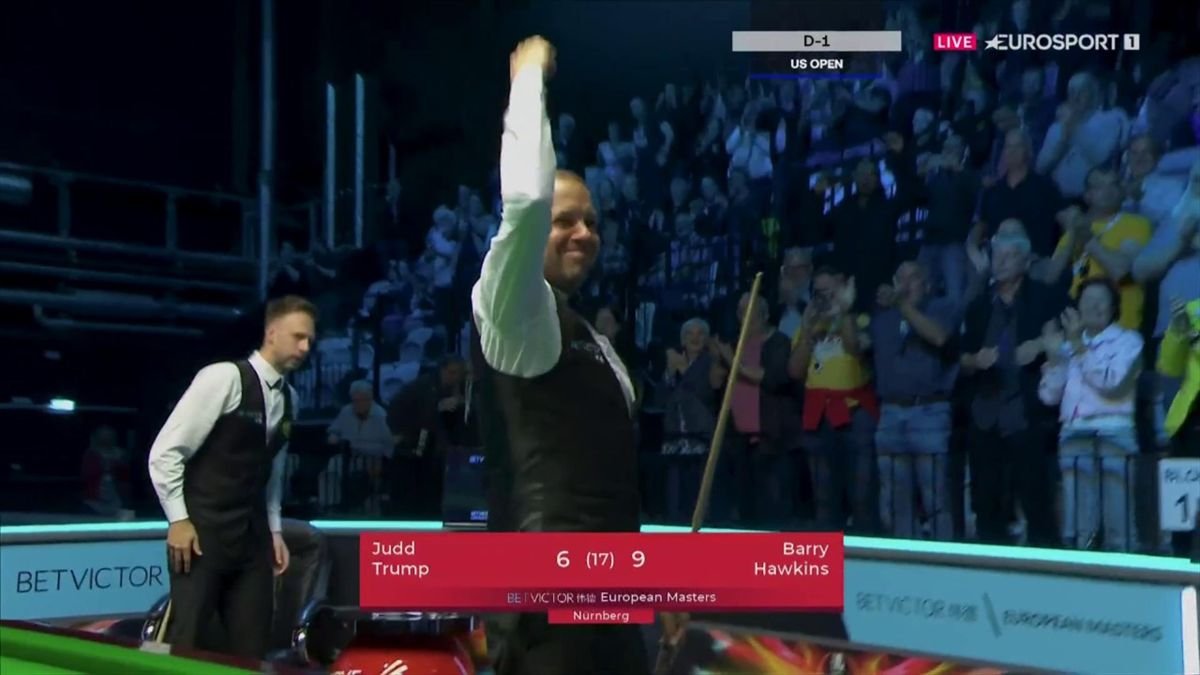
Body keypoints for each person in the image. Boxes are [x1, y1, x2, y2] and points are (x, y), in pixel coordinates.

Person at [469, 36, 652, 675]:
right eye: (566, 220)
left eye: (593, 222)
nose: (584, 233)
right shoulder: (513, 309)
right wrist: (528, 78)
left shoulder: (592, 340)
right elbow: (524, 203)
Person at [148, 295, 316, 658]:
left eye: (309, 340)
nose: (305, 347)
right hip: (201, 534)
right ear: (272, 333)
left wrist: (275, 532)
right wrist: (178, 520)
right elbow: (165, 454)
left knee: (251, 650)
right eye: (298, 337)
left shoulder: (291, 399)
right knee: (188, 643)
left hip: (252, 538)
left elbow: (273, 472)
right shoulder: (224, 377)